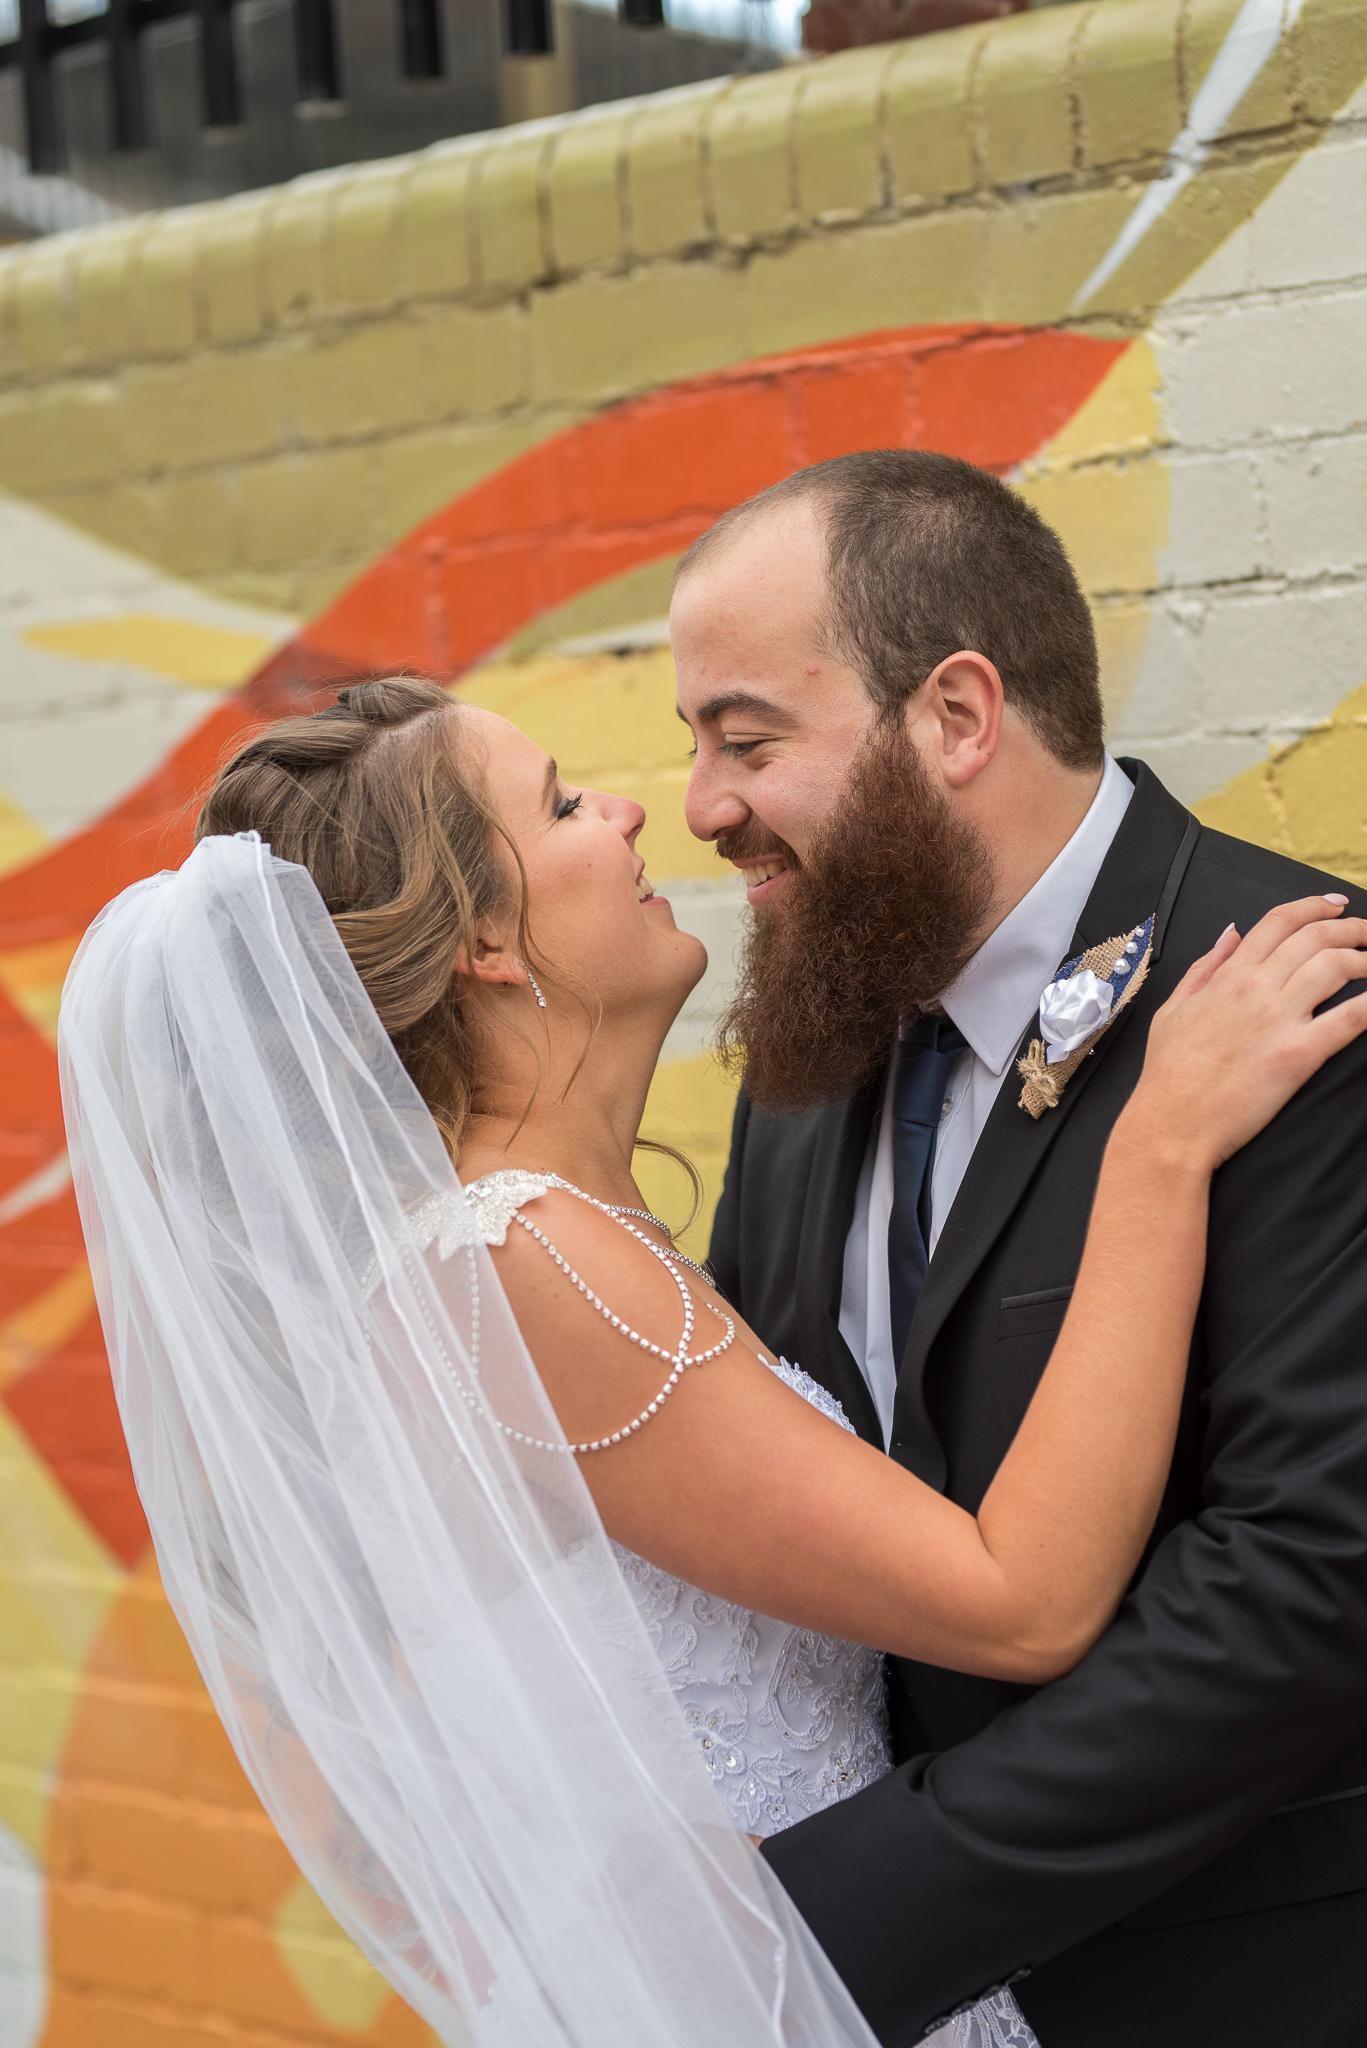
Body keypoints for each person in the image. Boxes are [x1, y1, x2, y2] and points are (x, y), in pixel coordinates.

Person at [59, 679, 1364, 2048]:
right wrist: (1159, 1146)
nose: (634, 810)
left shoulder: (521, 1256)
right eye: (562, 804)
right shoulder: (522, 1267)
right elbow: (1020, 1603)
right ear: (486, 943)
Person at [672, 448, 1367, 2046]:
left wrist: (840, 1916)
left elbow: (1310, 1578)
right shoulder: (816, 1036)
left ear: (958, 717)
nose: (707, 806)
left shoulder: (1308, 1005)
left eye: (747, 739)